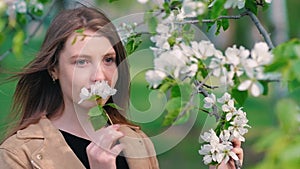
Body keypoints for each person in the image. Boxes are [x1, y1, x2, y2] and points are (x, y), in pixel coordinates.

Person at [0, 6, 242, 169]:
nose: (99, 76)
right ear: (54, 69)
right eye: (81, 61)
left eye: (108, 60)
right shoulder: (18, 153)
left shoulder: (137, 141)